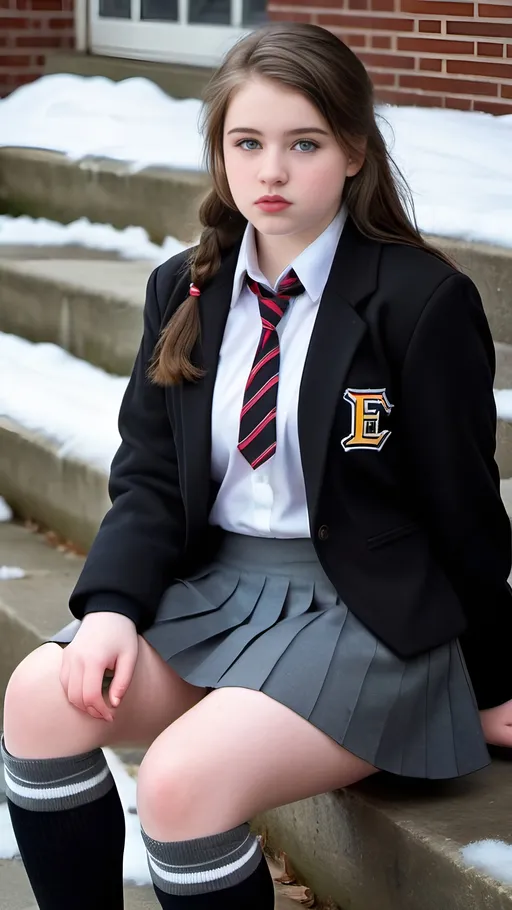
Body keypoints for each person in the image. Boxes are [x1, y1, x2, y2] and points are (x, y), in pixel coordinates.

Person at [2, 20, 512, 910]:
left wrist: (498, 679)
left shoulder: (421, 303)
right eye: (248, 143)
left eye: (302, 144)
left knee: (179, 781)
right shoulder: (185, 289)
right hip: (221, 589)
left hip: (369, 612)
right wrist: (114, 609)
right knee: (40, 699)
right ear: (221, 153)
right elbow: (152, 475)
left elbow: (464, 507)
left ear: (354, 151)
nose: (270, 172)